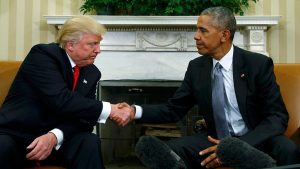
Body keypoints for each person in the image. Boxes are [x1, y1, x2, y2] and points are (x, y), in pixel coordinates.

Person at [115, 6, 300, 169]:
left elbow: (277, 117)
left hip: (255, 138)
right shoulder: (197, 68)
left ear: (224, 35)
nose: (196, 36)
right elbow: (173, 110)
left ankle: (242, 155)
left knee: (287, 149)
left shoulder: (257, 64)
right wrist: (134, 111)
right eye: (197, 30)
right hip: (213, 140)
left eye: (203, 31)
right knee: (169, 152)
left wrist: (240, 146)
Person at [0, 15, 132, 169]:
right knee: (2, 145)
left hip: (57, 140)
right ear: (70, 45)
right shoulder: (43, 55)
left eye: (99, 44)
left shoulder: (92, 73)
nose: (98, 50)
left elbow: (85, 120)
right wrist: (110, 109)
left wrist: (55, 136)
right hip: (19, 136)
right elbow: (61, 99)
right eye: (92, 44)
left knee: (88, 141)